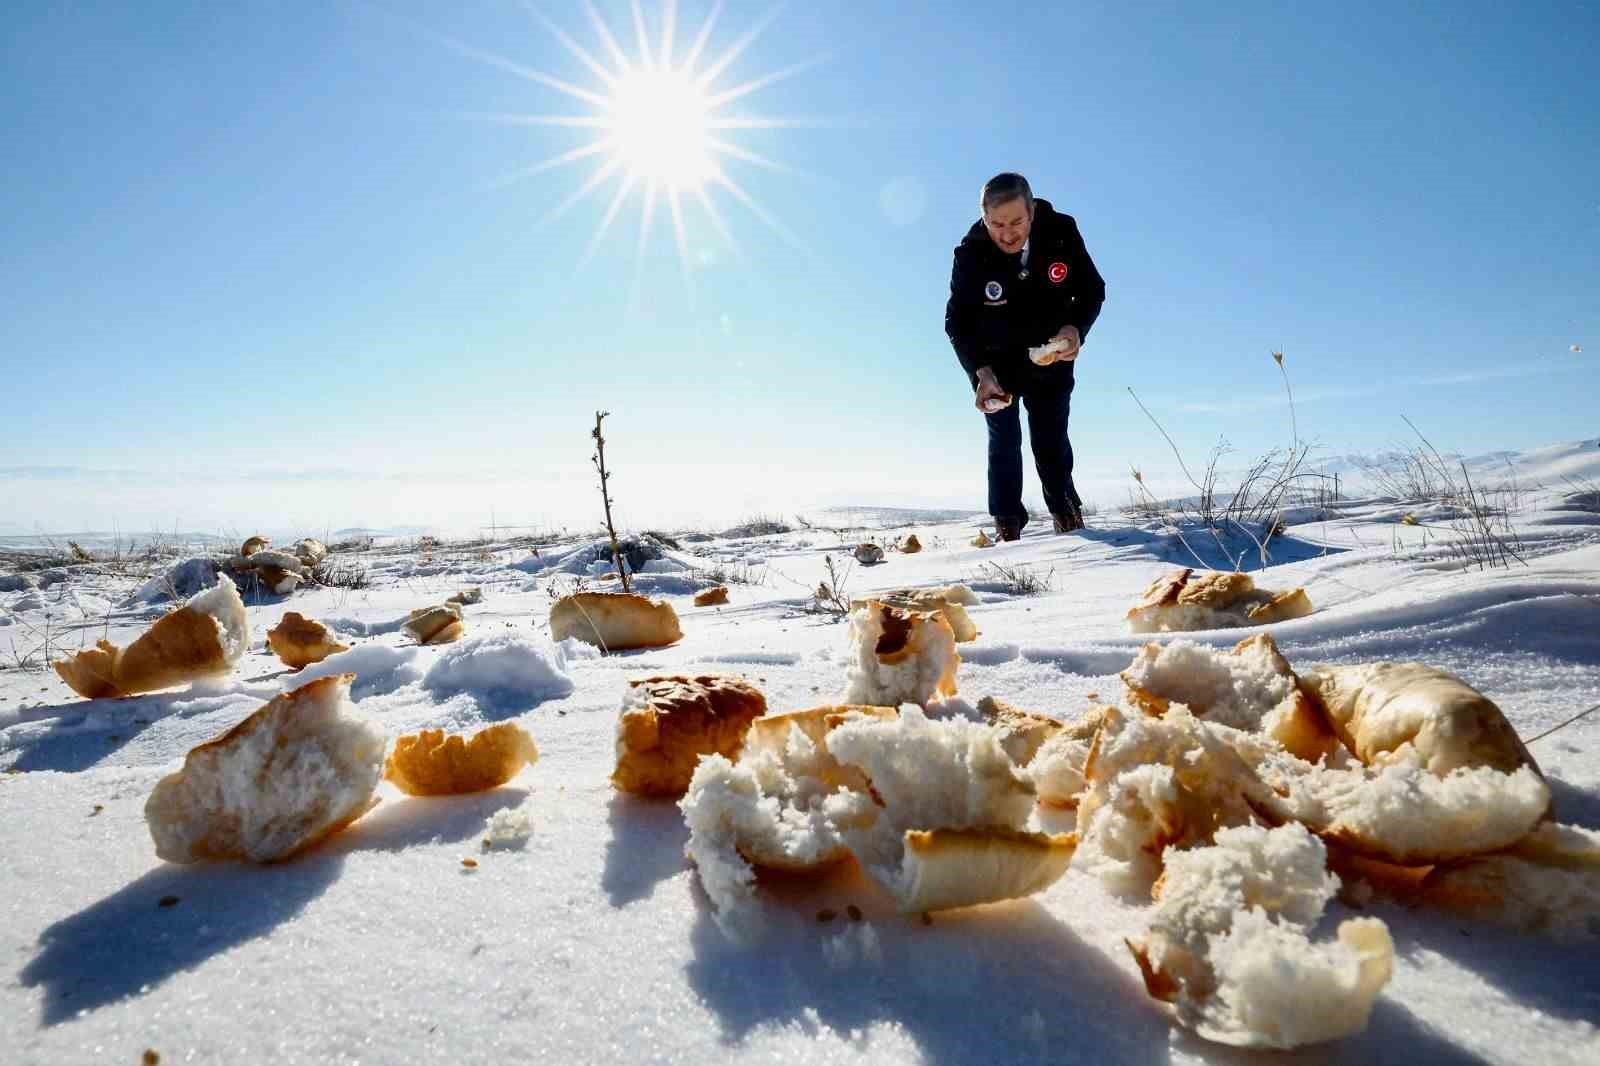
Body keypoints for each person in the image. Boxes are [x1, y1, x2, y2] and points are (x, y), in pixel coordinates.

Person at [944, 172, 1105, 540]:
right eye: (997, 224)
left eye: (1016, 221)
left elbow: (1092, 289)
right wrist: (980, 372)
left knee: (1051, 438)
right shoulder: (970, 254)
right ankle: (1008, 528)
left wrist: (1075, 329)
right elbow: (957, 321)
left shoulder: (1062, 231)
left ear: (1031, 211)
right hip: (997, 363)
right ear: (985, 219)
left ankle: (1067, 516)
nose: (1008, 232)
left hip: (1053, 354)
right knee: (1003, 442)